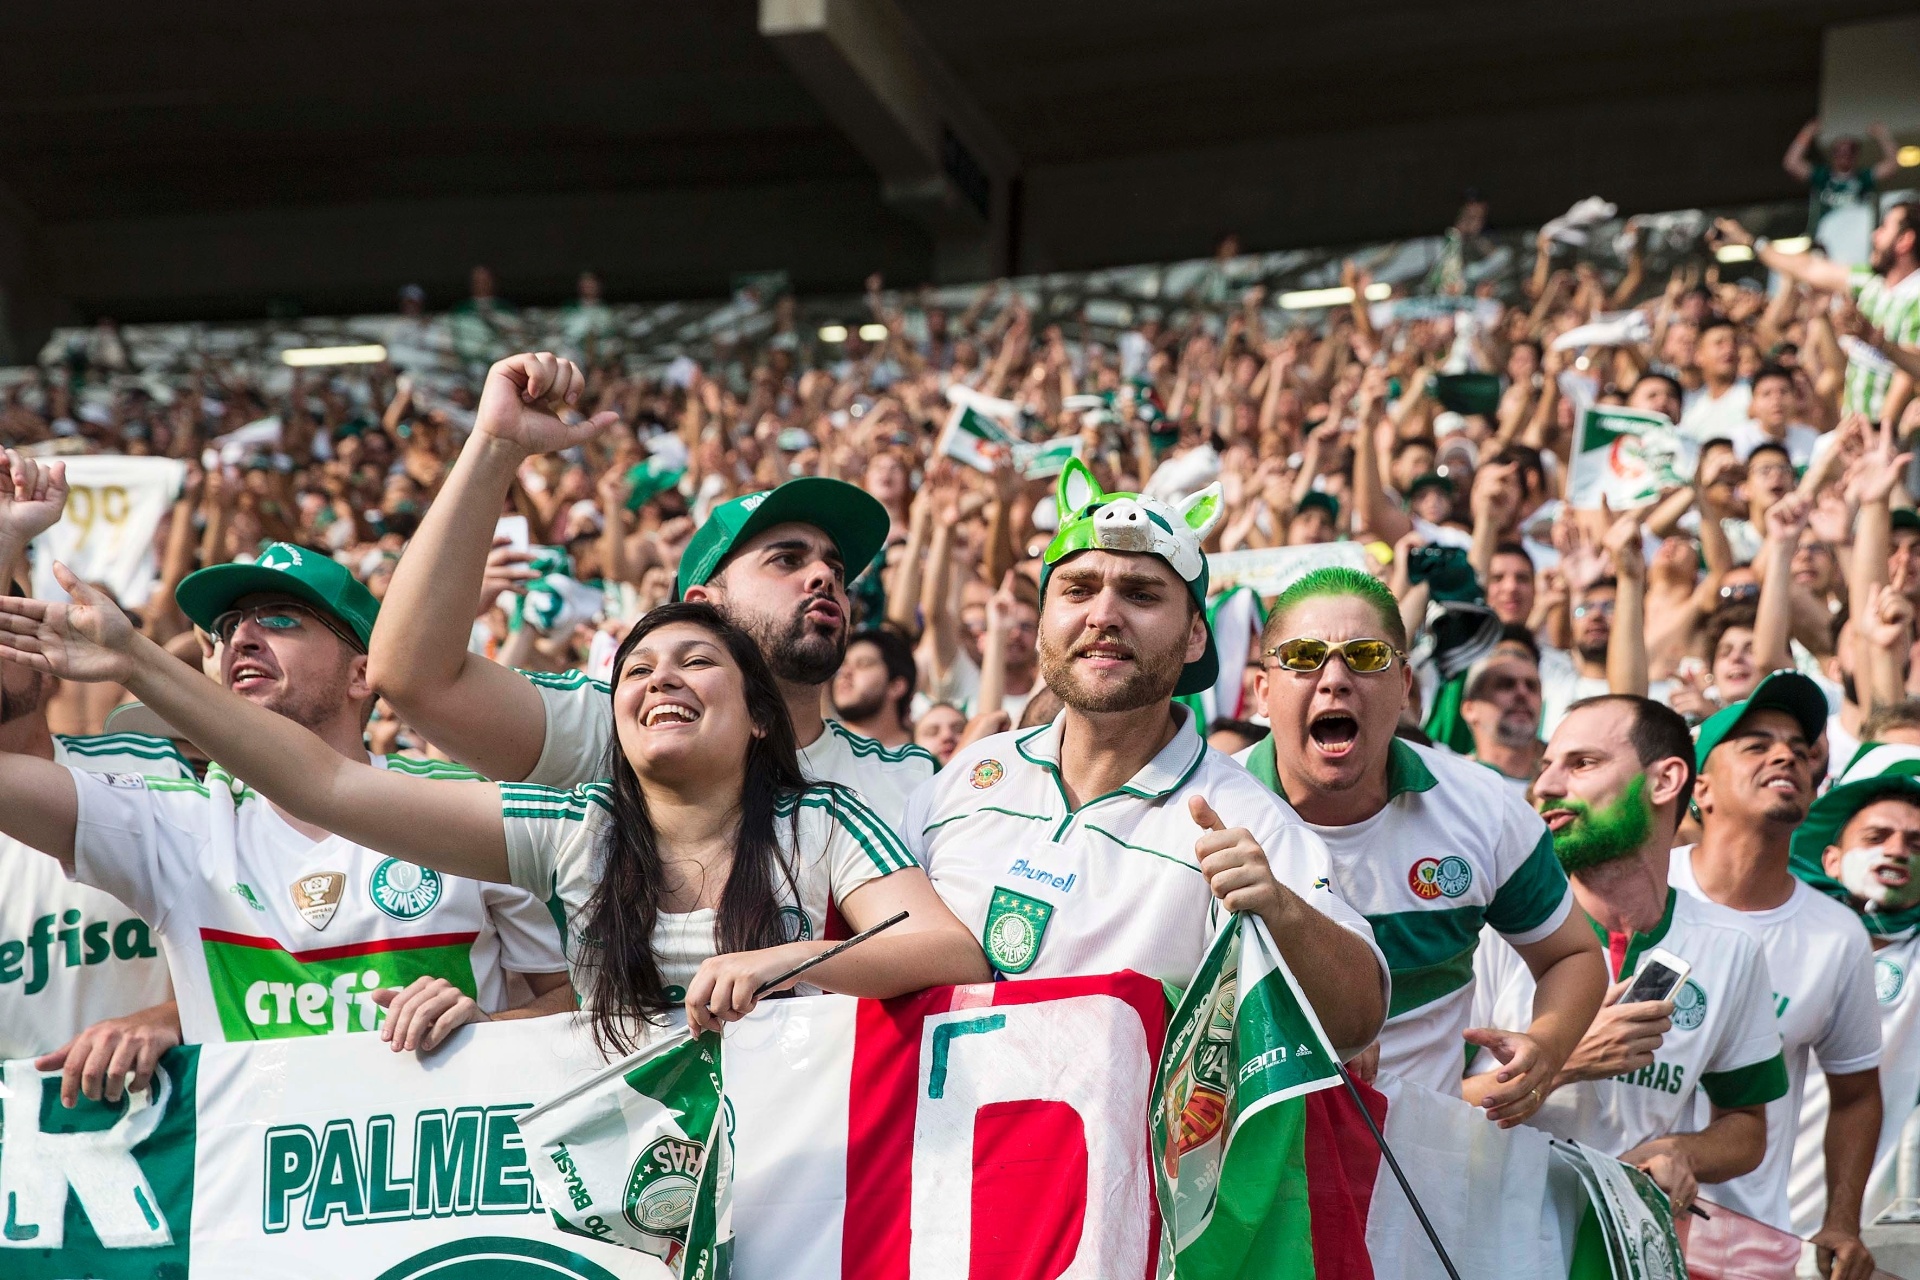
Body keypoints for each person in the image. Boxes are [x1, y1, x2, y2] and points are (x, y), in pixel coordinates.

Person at [0, 589, 990, 1049]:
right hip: (617, 1189)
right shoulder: (573, 827)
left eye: (696, 661)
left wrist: (788, 961)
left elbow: (950, 949)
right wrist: (138, 664)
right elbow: (330, 789)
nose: (659, 680)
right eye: (636, 670)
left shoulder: (825, 818)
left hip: (796, 1165)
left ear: (759, 711)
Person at [0, 544, 575, 1056]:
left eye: (281, 619)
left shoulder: (464, 810)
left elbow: (580, 1002)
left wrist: (490, 1031)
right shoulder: (178, 822)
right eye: (228, 627)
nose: (242, 638)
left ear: (361, 675)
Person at [905, 460, 1388, 1057]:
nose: (1103, 615)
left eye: (1140, 594)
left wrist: (1280, 910)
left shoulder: (1242, 824)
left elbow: (1357, 1020)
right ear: (1041, 623)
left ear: (1194, 637)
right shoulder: (965, 782)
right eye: (1077, 589)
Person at [364, 353, 937, 829]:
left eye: (835, 569)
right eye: (785, 559)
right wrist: (494, 447)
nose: (824, 579)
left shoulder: (907, 780)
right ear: (704, 608)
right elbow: (413, 679)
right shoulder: (619, 728)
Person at [1236, 565, 1606, 1110]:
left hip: (1421, 1165)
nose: (1334, 678)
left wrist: (1547, 1048)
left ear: (1405, 686)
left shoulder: (1484, 809)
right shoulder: (1206, 812)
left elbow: (1572, 954)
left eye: (1366, 657)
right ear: (1262, 691)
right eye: (1302, 657)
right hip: (1256, 1169)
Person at [1474, 695, 1785, 1214]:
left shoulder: (1730, 946)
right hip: (1493, 1242)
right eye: (1548, 764)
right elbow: (1413, 1104)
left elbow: (1747, 1127)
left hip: (1630, 1248)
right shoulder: (1488, 928)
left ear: (1664, 781)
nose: (1547, 785)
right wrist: (1563, 1061)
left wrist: (1680, 1151)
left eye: (1582, 764)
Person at [1670, 671, 1881, 1271]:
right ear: (1701, 787)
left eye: (1799, 746)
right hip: (1611, 1216)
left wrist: (1842, 1219)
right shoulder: (1646, 888)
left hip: (1746, 1246)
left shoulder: (1837, 936)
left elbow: (1856, 1095)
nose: (1786, 753)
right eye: (1757, 744)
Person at [0, 451, 193, 1104]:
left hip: (180, 1144)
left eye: (11, 622)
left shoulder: (158, 768)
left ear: (50, 664)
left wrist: (170, 1020)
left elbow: (264, 944)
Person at [1788, 744, 1920, 1257]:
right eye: (1876, 836)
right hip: (1746, 1217)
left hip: (1861, 1241)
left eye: (1915, 842)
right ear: (1832, 858)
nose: (1896, 850)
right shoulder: (1785, 937)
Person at [1713, 203, 1918, 432]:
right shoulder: (1872, 283)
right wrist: (1750, 241)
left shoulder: (1917, 297)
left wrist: (1879, 343)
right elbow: (1807, 267)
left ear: (1905, 241)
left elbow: (1910, 373)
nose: (1874, 235)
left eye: (1884, 228)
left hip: (1893, 444)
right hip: (1857, 434)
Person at [1458, 633, 1545, 795]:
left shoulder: (1568, 781)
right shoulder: (1453, 783)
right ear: (1470, 709)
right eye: (1505, 685)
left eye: (1531, 686)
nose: (1522, 693)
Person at [831, 627, 916, 748]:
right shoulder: (813, 750)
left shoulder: (928, 759)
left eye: (863, 664)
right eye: (843, 665)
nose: (845, 673)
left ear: (896, 687)